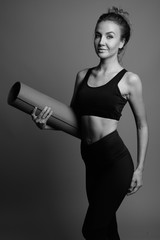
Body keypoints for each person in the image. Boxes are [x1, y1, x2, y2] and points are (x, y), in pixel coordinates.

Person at [31, 6, 148, 240]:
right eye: (97, 34)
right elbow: (74, 121)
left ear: (122, 43)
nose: (101, 41)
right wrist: (48, 125)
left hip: (116, 163)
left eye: (109, 36)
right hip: (91, 161)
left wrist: (140, 169)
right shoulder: (82, 76)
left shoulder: (130, 80)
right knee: (106, 227)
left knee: (92, 228)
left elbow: (142, 125)